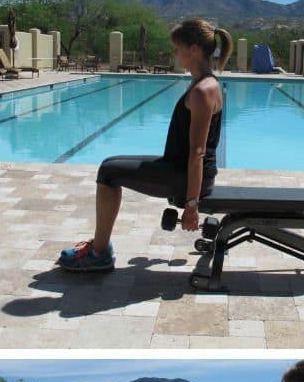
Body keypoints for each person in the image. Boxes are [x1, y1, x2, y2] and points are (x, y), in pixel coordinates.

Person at [58, 19, 233, 272]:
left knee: (108, 173)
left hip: (186, 177)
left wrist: (192, 205)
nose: (175, 53)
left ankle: (99, 253)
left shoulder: (202, 90)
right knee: (109, 165)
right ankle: (100, 246)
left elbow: (197, 153)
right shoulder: (207, 83)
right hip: (180, 169)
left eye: (178, 48)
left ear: (194, 49)